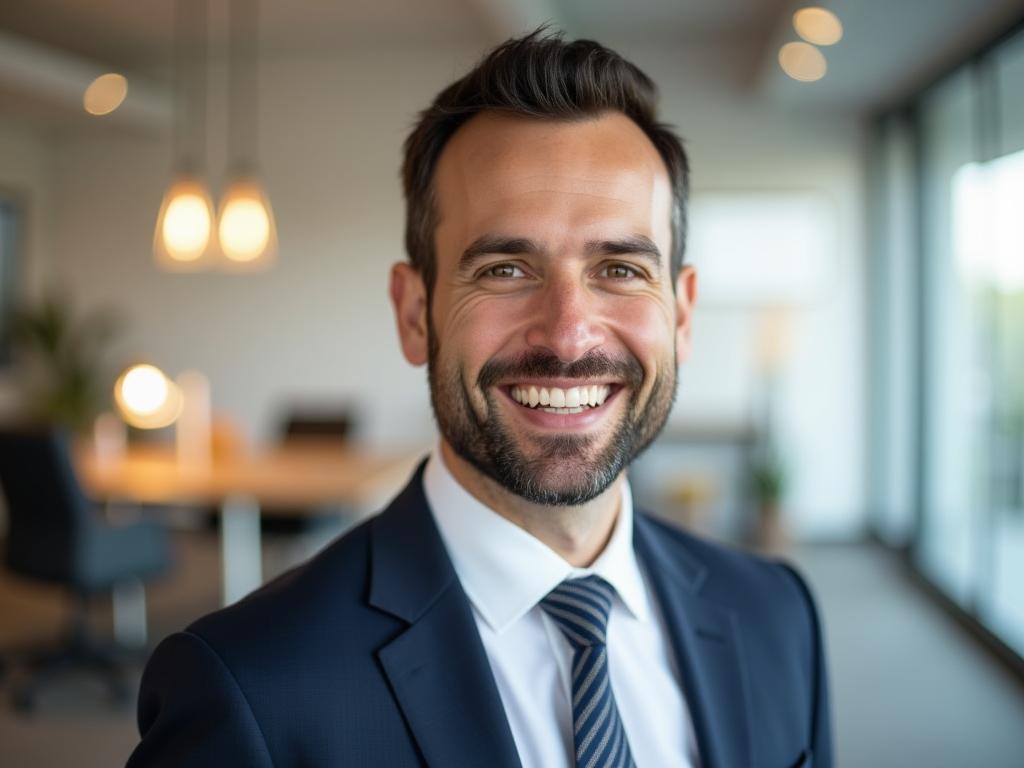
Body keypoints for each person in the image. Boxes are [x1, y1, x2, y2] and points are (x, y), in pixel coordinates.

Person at [127, 29, 831, 768]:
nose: (566, 335)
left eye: (620, 268)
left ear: (681, 315)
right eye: (503, 269)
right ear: (413, 313)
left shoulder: (779, 617)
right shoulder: (248, 688)